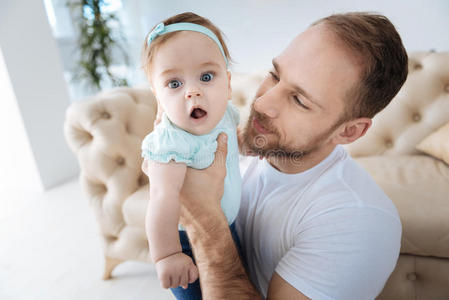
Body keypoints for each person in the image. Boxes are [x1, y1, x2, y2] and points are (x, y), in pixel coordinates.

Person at [145, 12, 408, 300]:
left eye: (299, 100)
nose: (262, 101)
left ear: (349, 132)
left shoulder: (358, 223)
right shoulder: (244, 147)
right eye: (275, 75)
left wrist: (205, 220)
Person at [140, 12, 242, 299]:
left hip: (227, 224)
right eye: (174, 84)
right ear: (157, 95)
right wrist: (167, 255)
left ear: (229, 83)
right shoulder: (171, 142)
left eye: (206, 77)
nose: (193, 92)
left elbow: (237, 142)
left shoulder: (225, 116)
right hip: (186, 242)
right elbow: (162, 199)